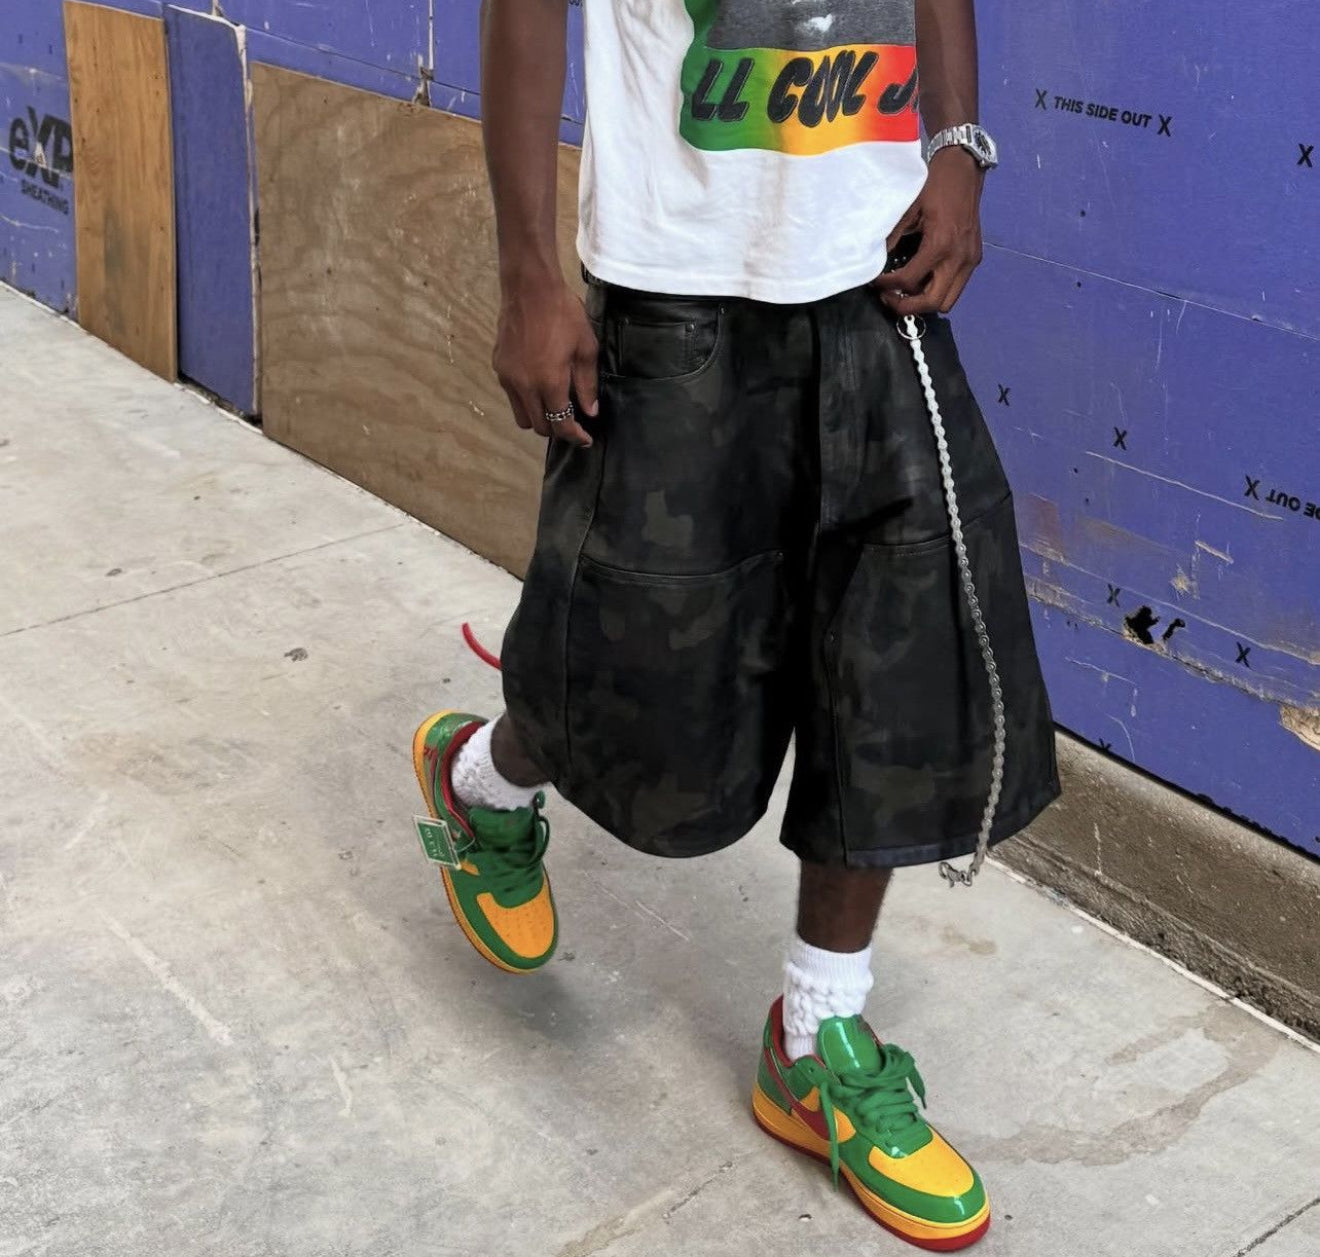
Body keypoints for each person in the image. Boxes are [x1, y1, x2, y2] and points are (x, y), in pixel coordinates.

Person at [411, 1, 1059, 1248]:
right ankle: (483, 780)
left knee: (891, 664)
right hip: (675, 288)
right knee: (639, 675)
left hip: (876, 279)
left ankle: (817, 1036)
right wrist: (531, 276)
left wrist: (958, 146)